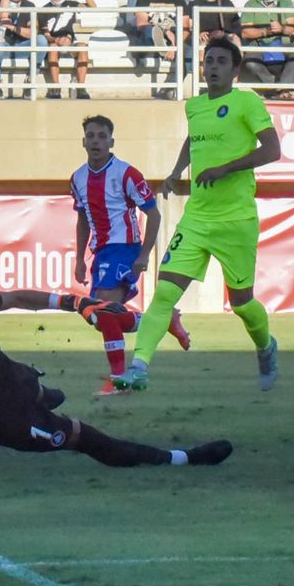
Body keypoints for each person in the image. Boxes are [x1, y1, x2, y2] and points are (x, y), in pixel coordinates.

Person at [0, 241, 230, 468]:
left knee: (38, 378)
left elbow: (17, 298)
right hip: (0, 419)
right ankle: (180, 459)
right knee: (87, 438)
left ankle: (41, 392)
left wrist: (72, 302)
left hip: (14, 381)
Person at [113, 38, 282, 392]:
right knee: (163, 294)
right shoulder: (195, 106)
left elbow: (272, 150)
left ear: (236, 71)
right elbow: (194, 139)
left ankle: (266, 347)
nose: (213, 67)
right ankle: (139, 367)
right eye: (209, 61)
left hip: (236, 220)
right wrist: (177, 172)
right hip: (197, 219)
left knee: (242, 303)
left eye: (221, 61)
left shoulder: (246, 102)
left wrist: (226, 168)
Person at [68, 115, 188, 393]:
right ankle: (162, 320)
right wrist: (79, 259)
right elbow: (83, 219)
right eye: (91, 135)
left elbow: (153, 214)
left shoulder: (126, 173)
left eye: (101, 136)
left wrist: (144, 255)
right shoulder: (78, 178)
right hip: (101, 252)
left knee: (105, 314)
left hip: (125, 249)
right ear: (83, 141)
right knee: (101, 319)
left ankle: (120, 380)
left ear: (112, 141)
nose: (95, 140)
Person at [238, 0, 294, 94]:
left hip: (282, 44)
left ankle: (285, 88)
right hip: (259, 45)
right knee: (250, 60)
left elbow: (292, 29)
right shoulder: (250, 4)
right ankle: (273, 85)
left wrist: (282, 29)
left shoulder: (285, 2)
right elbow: (245, 32)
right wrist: (266, 32)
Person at [133, 0, 192, 96]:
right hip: (150, 37)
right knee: (150, 30)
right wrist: (165, 31)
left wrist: (175, 46)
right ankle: (153, 50)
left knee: (189, 51)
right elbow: (141, 24)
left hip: (174, 40)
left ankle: (170, 87)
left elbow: (186, 27)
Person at [35, 0, 95, 98]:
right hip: (54, 43)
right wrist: (56, 40)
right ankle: (56, 87)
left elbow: (93, 6)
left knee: (82, 46)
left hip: (70, 42)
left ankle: (81, 87)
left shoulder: (71, 4)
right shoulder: (43, 10)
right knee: (52, 47)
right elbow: (46, 33)